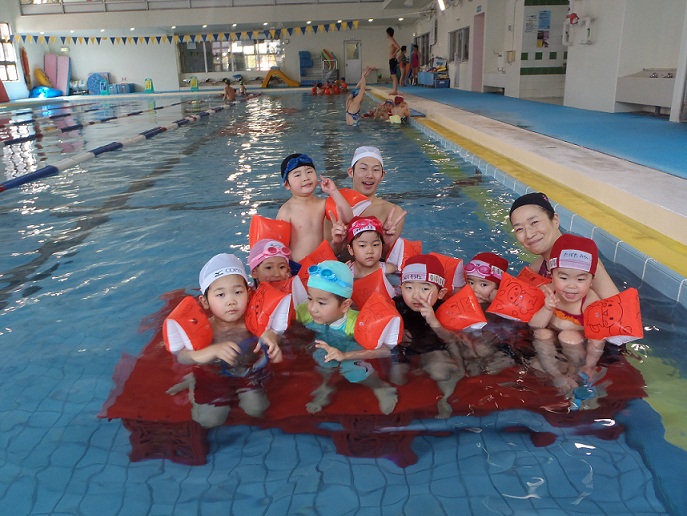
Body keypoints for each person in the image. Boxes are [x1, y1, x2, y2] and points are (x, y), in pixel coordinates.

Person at [167, 253, 283, 428]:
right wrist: (210, 351)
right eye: (221, 295)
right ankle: (193, 382)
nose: (231, 301)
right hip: (212, 374)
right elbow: (182, 357)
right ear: (205, 302)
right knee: (209, 421)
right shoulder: (203, 329)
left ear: (249, 294)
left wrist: (273, 338)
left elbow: (275, 335)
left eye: (238, 292)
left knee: (257, 409)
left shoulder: (255, 323)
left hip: (247, 372)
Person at [296, 260, 398, 414]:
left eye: (321, 303)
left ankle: (379, 387)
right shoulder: (305, 313)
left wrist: (345, 356)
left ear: (345, 305)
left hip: (352, 348)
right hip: (327, 346)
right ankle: (327, 386)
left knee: (351, 367)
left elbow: (385, 351)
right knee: (321, 356)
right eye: (310, 299)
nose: (312, 308)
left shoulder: (356, 324)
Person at [527, 234, 606, 392]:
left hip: (576, 347)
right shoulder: (547, 291)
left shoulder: (591, 303)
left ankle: (573, 374)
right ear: (551, 273)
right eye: (563, 277)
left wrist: (590, 365)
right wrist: (547, 308)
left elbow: (597, 340)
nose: (572, 286)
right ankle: (555, 374)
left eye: (581, 279)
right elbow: (534, 325)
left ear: (592, 279)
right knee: (541, 334)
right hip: (550, 343)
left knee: (569, 336)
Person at [392, 254, 465, 418]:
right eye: (408, 288)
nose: (415, 295)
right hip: (405, 349)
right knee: (397, 378)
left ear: (441, 293)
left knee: (441, 372)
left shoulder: (444, 309)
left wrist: (434, 321)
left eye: (425, 289)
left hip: (433, 348)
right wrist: (397, 332)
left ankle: (445, 398)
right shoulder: (396, 305)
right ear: (400, 288)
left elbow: (451, 339)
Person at [509, 192, 619, 299]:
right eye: (519, 229)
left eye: (534, 222)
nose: (528, 234)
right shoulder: (539, 266)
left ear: (555, 220)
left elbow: (618, 306)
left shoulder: (582, 261)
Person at [276, 153, 353, 262]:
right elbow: (279, 248)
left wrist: (333, 192)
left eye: (309, 172)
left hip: (325, 265)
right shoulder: (286, 211)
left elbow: (349, 219)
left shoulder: (323, 204)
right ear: (287, 185)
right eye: (297, 175)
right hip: (300, 268)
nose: (305, 178)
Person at [346, 146, 407, 254]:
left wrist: (386, 244)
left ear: (382, 175)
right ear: (351, 172)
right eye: (363, 168)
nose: (370, 175)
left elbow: (387, 258)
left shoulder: (393, 212)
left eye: (376, 170)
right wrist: (337, 242)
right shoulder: (334, 208)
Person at [331, 215, 397, 278]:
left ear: (382, 246)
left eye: (375, 244)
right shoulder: (345, 272)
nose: (370, 251)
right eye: (362, 245)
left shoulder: (389, 270)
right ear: (350, 249)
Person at [386, 27, 401, 96]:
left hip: (393, 60)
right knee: (393, 76)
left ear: (388, 33)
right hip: (392, 60)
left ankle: (395, 91)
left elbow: (398, 47)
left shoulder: (392, 40)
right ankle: (394, 90)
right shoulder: (391, 40)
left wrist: (394, 54)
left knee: (394, 76)